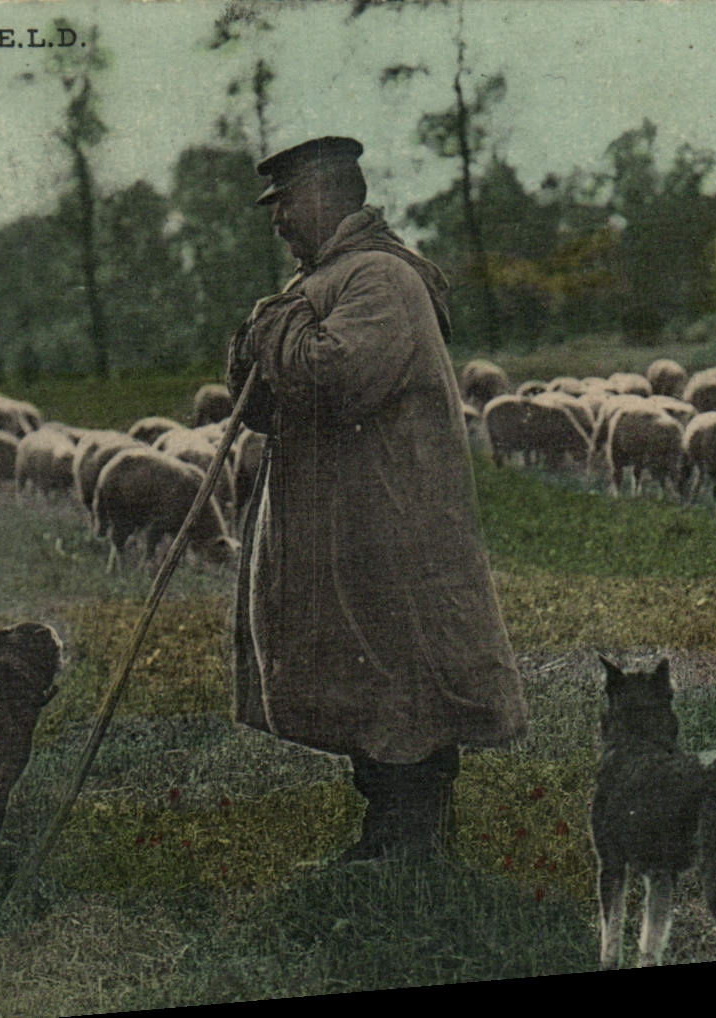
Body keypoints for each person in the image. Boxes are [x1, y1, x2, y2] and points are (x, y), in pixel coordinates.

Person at [226, 137, 528, 865]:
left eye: (286, 203)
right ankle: (390, 830)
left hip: (389, 515)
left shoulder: (378, 278)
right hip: (348, 516)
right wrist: (260, 341)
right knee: (364, 665)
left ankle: (414, 836)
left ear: (325, 197)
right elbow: (264, 403)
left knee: (399, 662)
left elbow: (336, 376)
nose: (278, 221)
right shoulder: (325, 280)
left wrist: (278, 325)